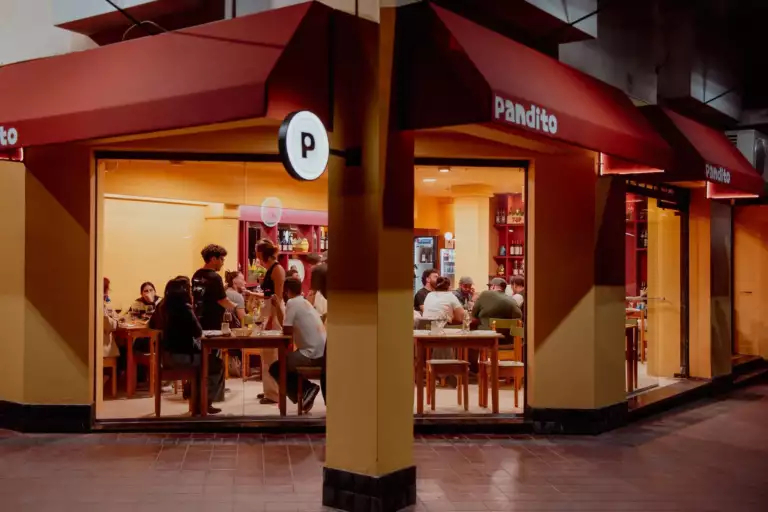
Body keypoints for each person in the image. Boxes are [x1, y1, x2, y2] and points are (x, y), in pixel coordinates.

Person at [150, 277, 223, 415]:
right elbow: (198, 331)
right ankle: (204, 402)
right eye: (189, 289)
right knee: (215, 363)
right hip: (182, 357)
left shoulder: (161, 307)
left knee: (204, 361)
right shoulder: (184, 308)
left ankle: (195, 397)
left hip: (166, 357)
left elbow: (151, 325)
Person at [270, 277, 326, 413]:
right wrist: (278, 307)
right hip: (322, 352)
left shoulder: (292, 303)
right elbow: (286, 326)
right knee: (284, 363)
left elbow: (286, 331)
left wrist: (278, 306)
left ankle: (308, 389)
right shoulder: (304, 302)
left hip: (311, 355)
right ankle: (306, 393)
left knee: (276, 367)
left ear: (286, 291)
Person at [191, 244, 235, 403]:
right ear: (213, 259)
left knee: (202, 358)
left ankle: (200, 392)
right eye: (221, 259)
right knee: (213, 359)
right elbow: (222, 300)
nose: (223, 262)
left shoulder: (196, 275)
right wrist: (236, 307)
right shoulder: (215, 278)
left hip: (198, 322)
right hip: (212, 323)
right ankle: (211, 394)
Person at [256, 239, 285, 405]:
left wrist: (271, 319)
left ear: (262, 253)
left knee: (271, 353)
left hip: (273, 313)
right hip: (268, 311)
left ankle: (273, 393)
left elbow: (277, 298)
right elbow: (268, 295)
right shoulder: (270, 269)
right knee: (266, 353)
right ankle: (269, 389)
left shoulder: (277, 269)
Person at [103, 277, 120, 358]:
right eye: (107, 290)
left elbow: (116, 317)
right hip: (103, 348)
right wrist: (116, 322)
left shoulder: (105, 304)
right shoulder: (98, 306)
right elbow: (110, 325)